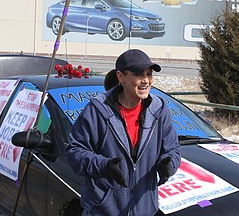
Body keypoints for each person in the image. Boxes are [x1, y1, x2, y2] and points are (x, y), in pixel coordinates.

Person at [65, 49, 181, 216]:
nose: (146, 81)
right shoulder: (98, 110)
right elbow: (74, 152)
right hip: (104, 210)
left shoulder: (159, 110)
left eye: (149, 74)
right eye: (139, 75)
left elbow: (173, 149)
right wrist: (104, 166)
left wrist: (168, 164)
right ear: (121, 77)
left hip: (145, 209)